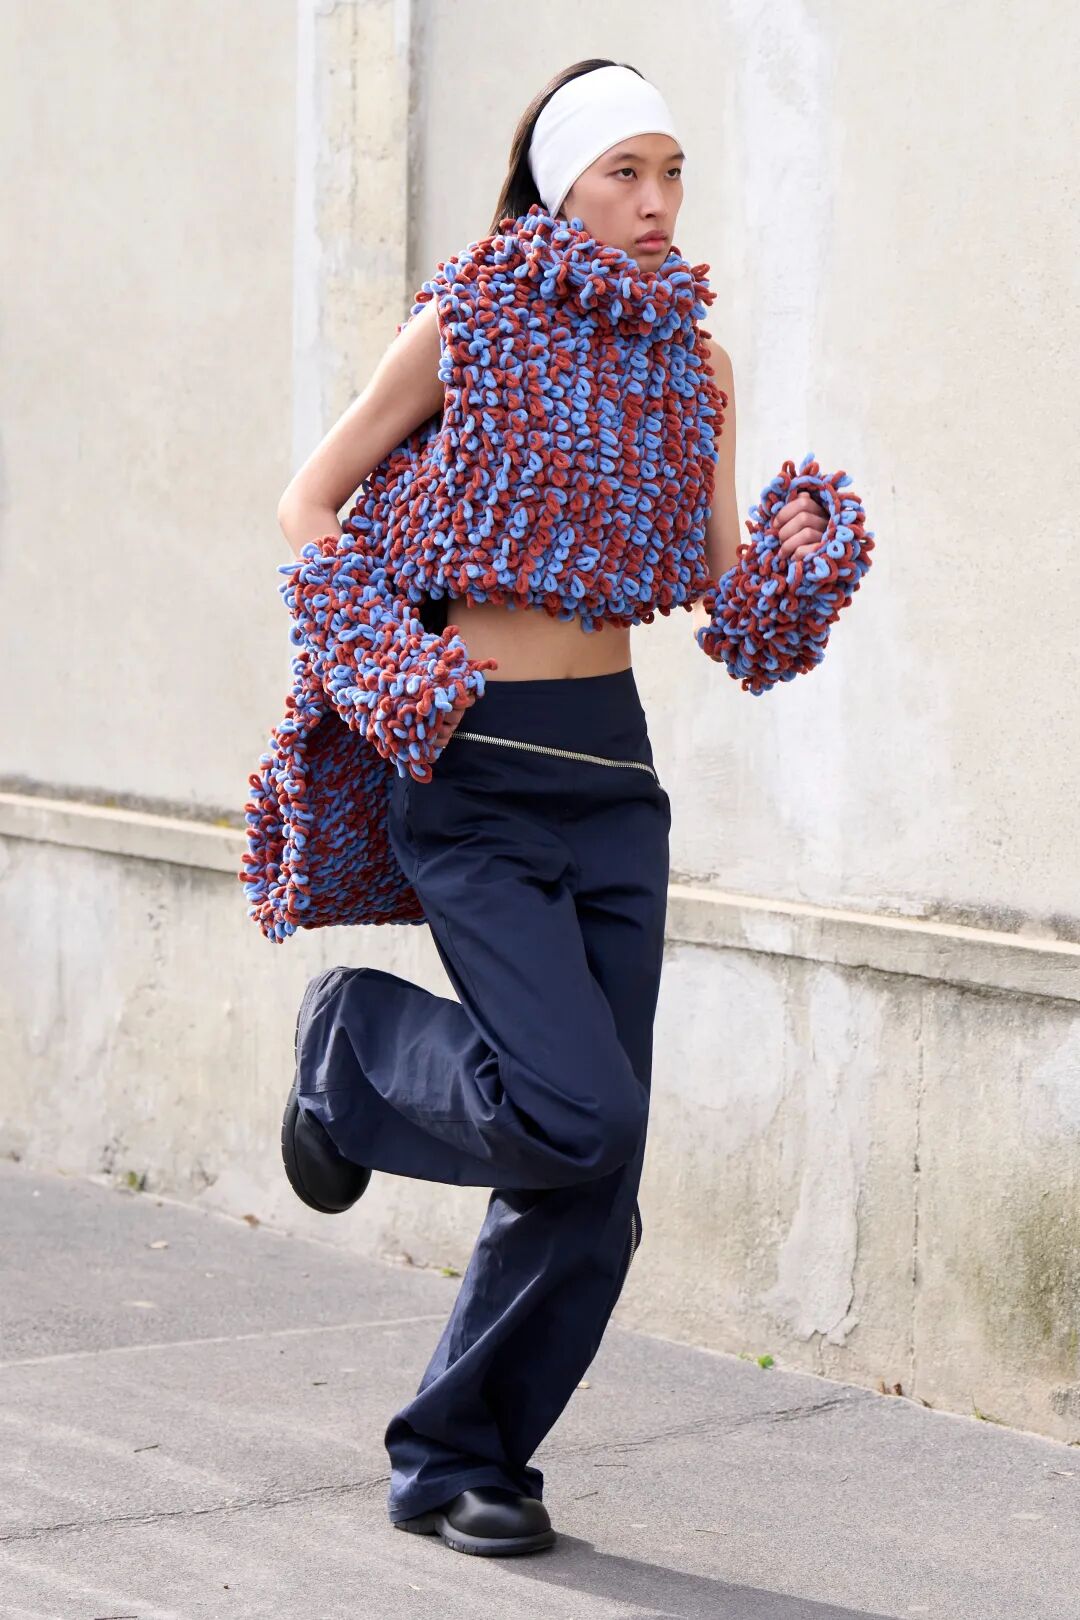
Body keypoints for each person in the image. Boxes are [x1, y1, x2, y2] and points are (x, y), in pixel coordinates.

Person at [271, 59, 830, 1559]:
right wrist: (384, 661)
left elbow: (721, 597)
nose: (656, 203)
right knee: (581, 1111)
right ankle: (352, 1043)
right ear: (557, 185)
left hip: (613, 783)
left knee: (598, 1168)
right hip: (471, 774)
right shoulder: (471, 323)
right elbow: (311, 501)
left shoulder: (694, 365)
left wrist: (797, 558)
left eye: (673, 173)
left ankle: (466, 1458)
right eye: (623, 173)